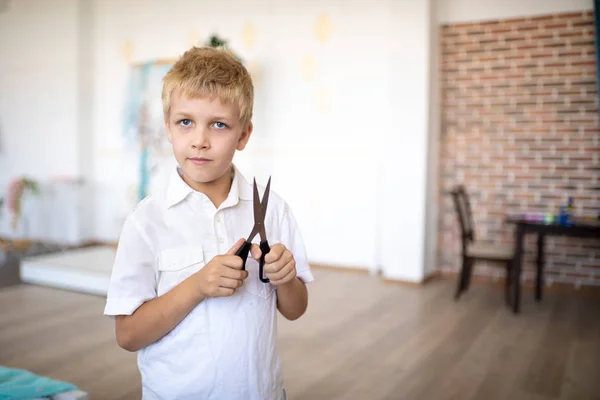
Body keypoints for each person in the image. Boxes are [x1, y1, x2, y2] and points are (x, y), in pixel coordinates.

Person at [103, 46, 314, 400]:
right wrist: (198, 285)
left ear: (243, 135)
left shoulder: (272, 210)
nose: (199, 140)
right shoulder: (147, 222)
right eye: (185, 122)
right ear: (169, 128)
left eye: (218, 124)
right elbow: (128, 336)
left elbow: (296, 309)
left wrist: (287, 279)